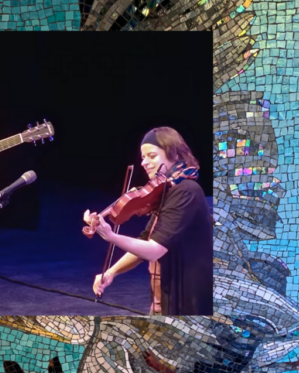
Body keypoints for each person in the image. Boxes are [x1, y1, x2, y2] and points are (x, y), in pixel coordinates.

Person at [83, 127, 213, 315]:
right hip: (166, 293)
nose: (144, 162)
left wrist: (111, 236)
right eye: (143, 157)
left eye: (151, 156)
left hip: (189, 297)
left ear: (174, 154)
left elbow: (154, 250)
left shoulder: (186, 191)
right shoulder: (167, 191)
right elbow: (145, 242)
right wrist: (112, 272)